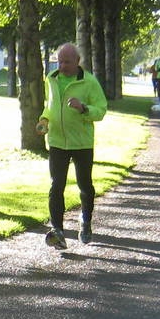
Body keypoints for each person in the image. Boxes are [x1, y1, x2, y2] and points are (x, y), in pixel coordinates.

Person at [38, 43, 108, 247]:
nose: (62, 65)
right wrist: (44, 120)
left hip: (82, 143)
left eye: (67, 62)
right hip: (57, 141)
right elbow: (49, 106)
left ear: (78, 62)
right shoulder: (51, 79)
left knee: (84, 185)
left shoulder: (89, 82)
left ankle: (86, 220)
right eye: (59, 61)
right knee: (56, 185)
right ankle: (57, 230)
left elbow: (101, 110)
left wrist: (84, 108)